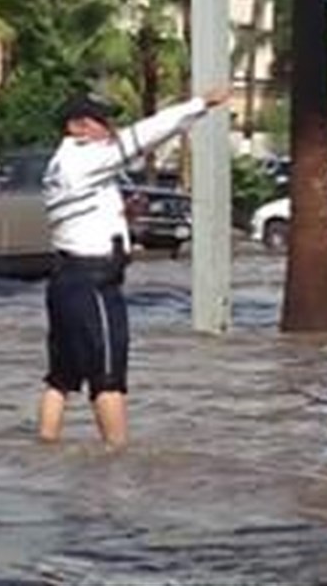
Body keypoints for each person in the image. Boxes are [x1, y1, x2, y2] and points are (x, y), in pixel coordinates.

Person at [38, 86, 229, 450]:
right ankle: (117, 460)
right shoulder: (86, 160)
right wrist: (201, 104)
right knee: (108, 375)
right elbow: (147, 134)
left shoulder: (61, 164)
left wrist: (125, 217)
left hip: (66, 279)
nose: (109, 128)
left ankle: (45, 449)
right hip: (93, 282)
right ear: (76, 127)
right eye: (101, 122)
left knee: (60, 377)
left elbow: (85, 212)